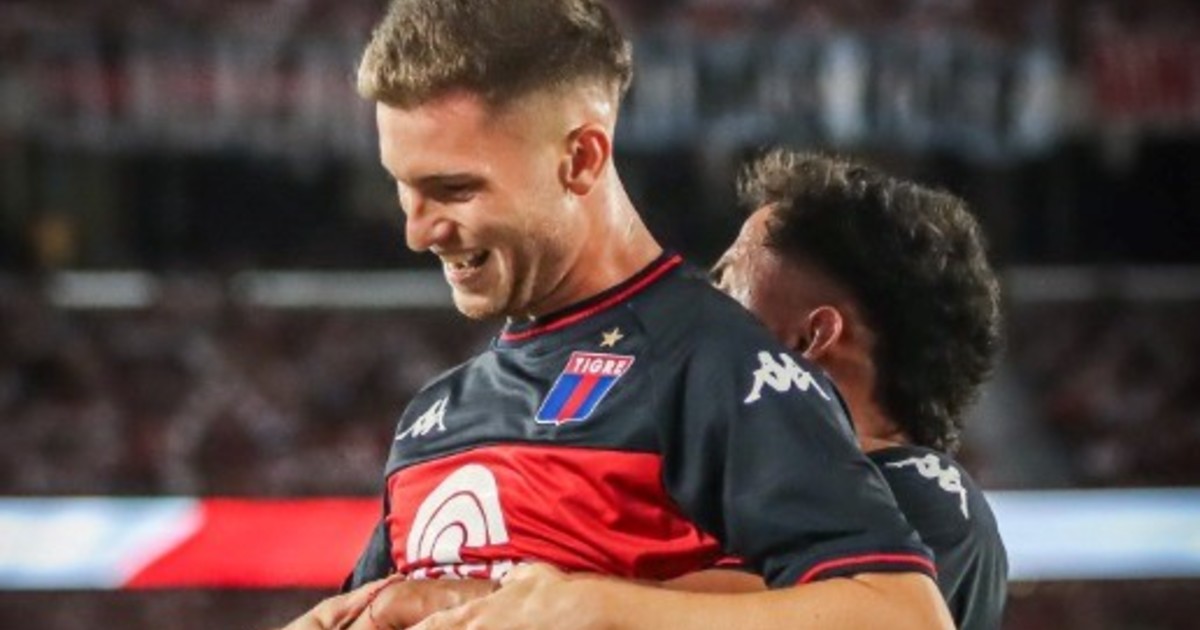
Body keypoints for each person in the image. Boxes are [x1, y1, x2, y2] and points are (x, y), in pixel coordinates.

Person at [281, 1, 951, 629]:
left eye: (453, 188)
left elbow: (904, 613)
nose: (417, 231)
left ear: (580, 159)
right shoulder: (434, 418)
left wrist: (599, 610)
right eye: (403, 187)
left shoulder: (715, 367)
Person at [710, 150, 1009, 629]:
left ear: (808, 340)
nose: (702, 308)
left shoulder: (923, 498)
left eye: (726, 283)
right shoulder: (745, 489)